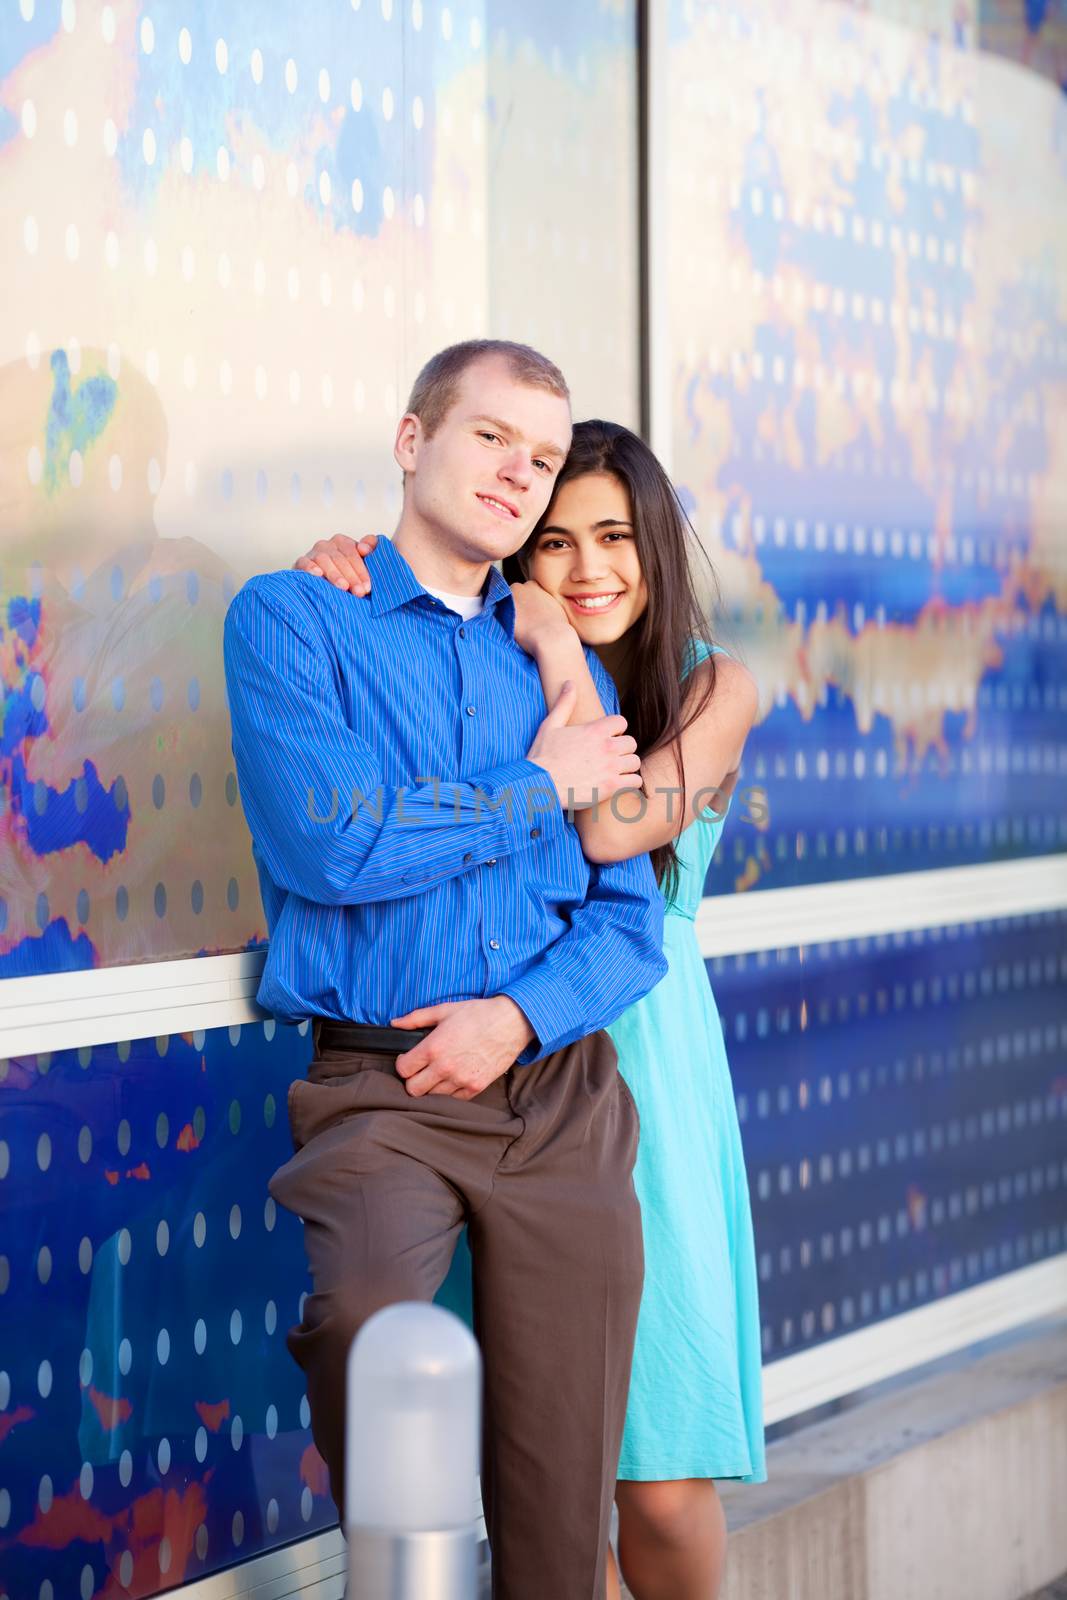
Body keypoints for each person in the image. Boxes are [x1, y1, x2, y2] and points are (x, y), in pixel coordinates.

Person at [223, 341, 670, 1600]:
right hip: (381, 1092)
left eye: (539, 458)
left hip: (558, 1094)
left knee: (560, 1483)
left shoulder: (553, 653)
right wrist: (540, 783)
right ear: (412, 441)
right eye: (489, 440)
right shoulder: (293, 617)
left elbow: (625, 919)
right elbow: (335, 841)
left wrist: (517, 1017)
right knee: (370, 1350)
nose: (517, 476)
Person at [298, 417, 767, 1600]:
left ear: (655, 547)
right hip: (494, 1080)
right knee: (547, 1477)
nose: (586, 566)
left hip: (643, 1064)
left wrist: (558, 648)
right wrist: (348, 571)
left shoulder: (715, 681)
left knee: (658, 1472)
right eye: (552, 543)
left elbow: (612, 824)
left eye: (614, 536)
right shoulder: (485, 673)